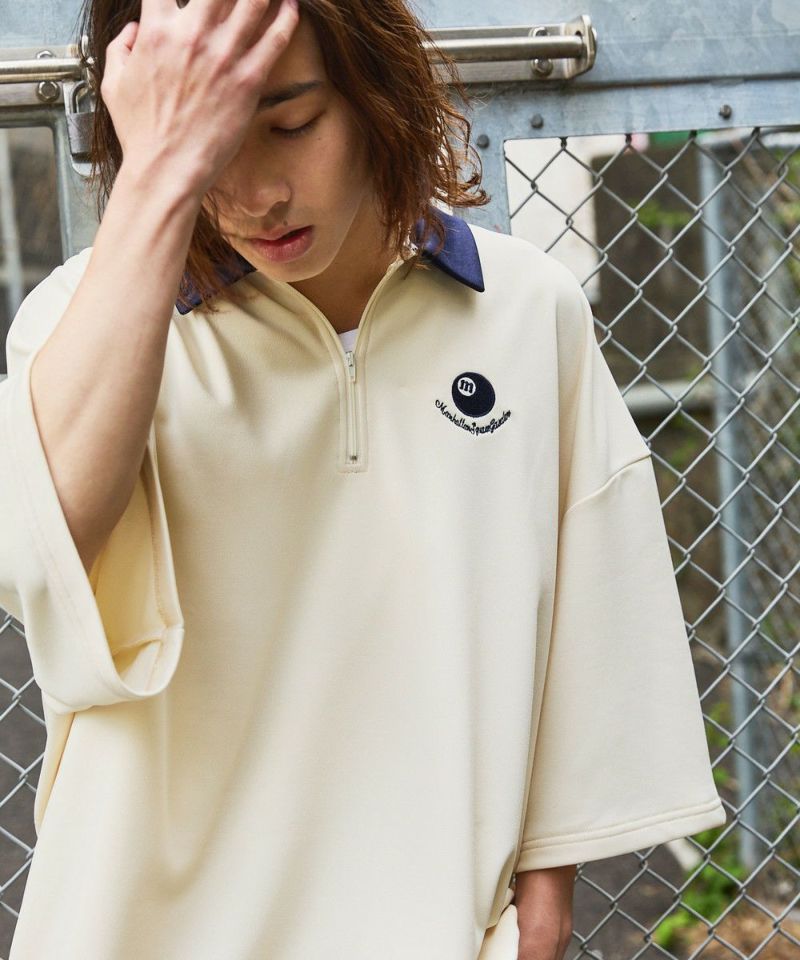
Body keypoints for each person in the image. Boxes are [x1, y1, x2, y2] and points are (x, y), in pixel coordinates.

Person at [0, 0, 726, 957]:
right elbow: (38, 555)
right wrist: (159, 181)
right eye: (207, 137)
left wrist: (542, 907)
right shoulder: (81, 324)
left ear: (375, 90)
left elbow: (588, 634)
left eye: (292, 123)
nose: (255, 191)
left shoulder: (526, 312)